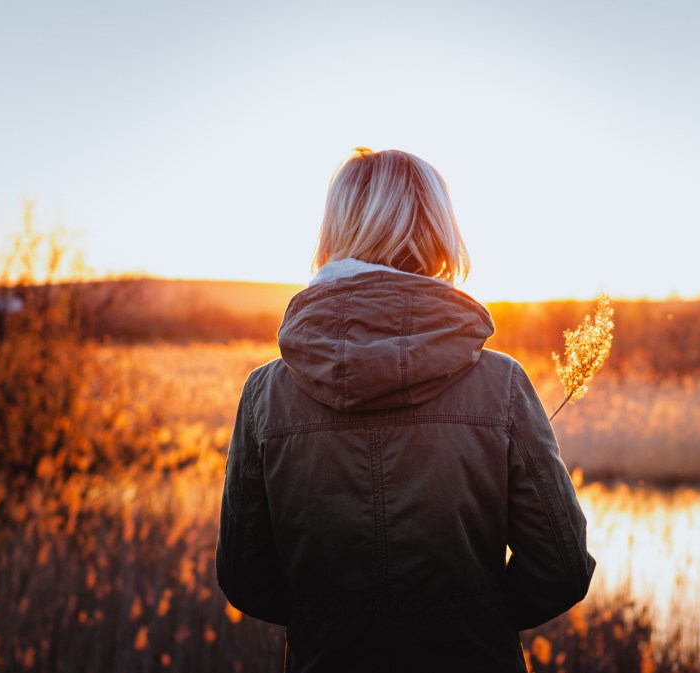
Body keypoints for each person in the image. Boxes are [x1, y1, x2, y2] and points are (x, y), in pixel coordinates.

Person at [217, 147, 596, 673]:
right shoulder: (501, 384)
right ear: (439, 230)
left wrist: (330, 619)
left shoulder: (265, 395)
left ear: (335, 232)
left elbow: (244, 577)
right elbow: (561, 567)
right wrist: (473, 620)